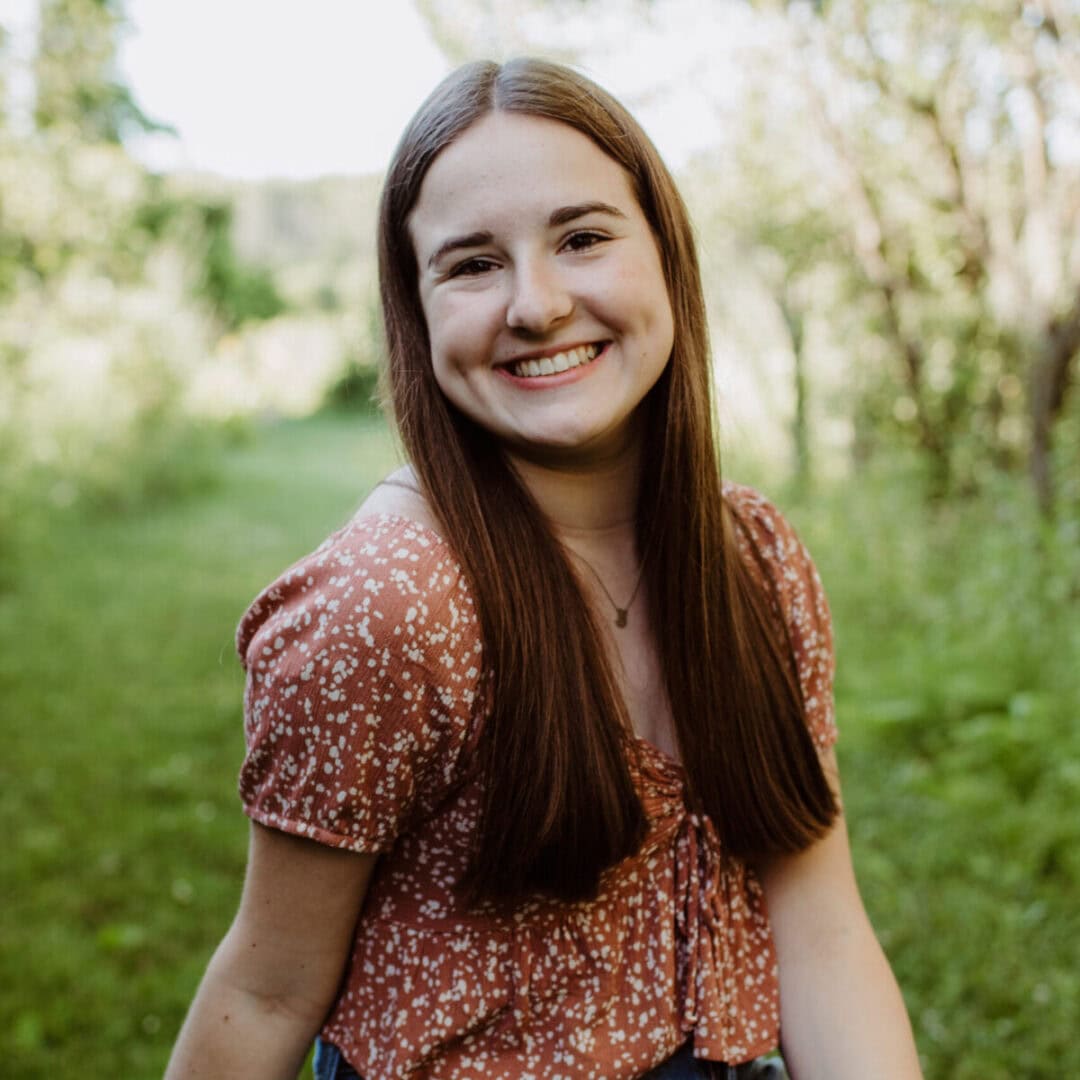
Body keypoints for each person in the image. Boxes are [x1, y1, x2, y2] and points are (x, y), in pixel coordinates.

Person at [165, 58, 923, 1080]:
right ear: (417, 307)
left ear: (665, 251)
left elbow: (821, 926)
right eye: (473, 264)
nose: (538, 303)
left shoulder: (752, 560)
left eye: (582, 238)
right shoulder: (389, 608)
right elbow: (267, 988)